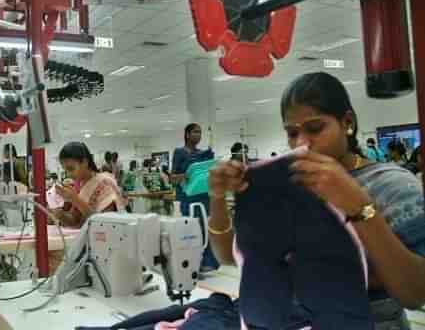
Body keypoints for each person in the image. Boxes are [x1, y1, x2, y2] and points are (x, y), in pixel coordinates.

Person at [208, 72, 425, 327]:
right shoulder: (288, 186)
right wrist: (218, 198)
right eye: (292, 132)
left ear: (347, 122)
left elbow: (414, 294)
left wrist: (359, 207)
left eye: (315, 128)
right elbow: (229, 258)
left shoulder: (393, 185)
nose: (302, 143)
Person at [171, 123, 219, 272]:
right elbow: (172, 178)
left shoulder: (202, 153)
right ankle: (193, 262)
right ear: (187, 134)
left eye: (200, 132)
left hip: (203, 196)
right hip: (187, 198)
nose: (198, 135)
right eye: (195, 132)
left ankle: (208, 262)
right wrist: (185, 176)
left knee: (206, 227)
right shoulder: (179, 152)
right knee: (191, 230)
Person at [53, 142, 127, 228]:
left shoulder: (105, 183)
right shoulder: (79, 185)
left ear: (85, 162)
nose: (68, 174)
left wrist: (75, 199)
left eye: (71, 169)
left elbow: (105, 223)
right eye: (65, 170)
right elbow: (74, 220)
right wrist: (57, 213)